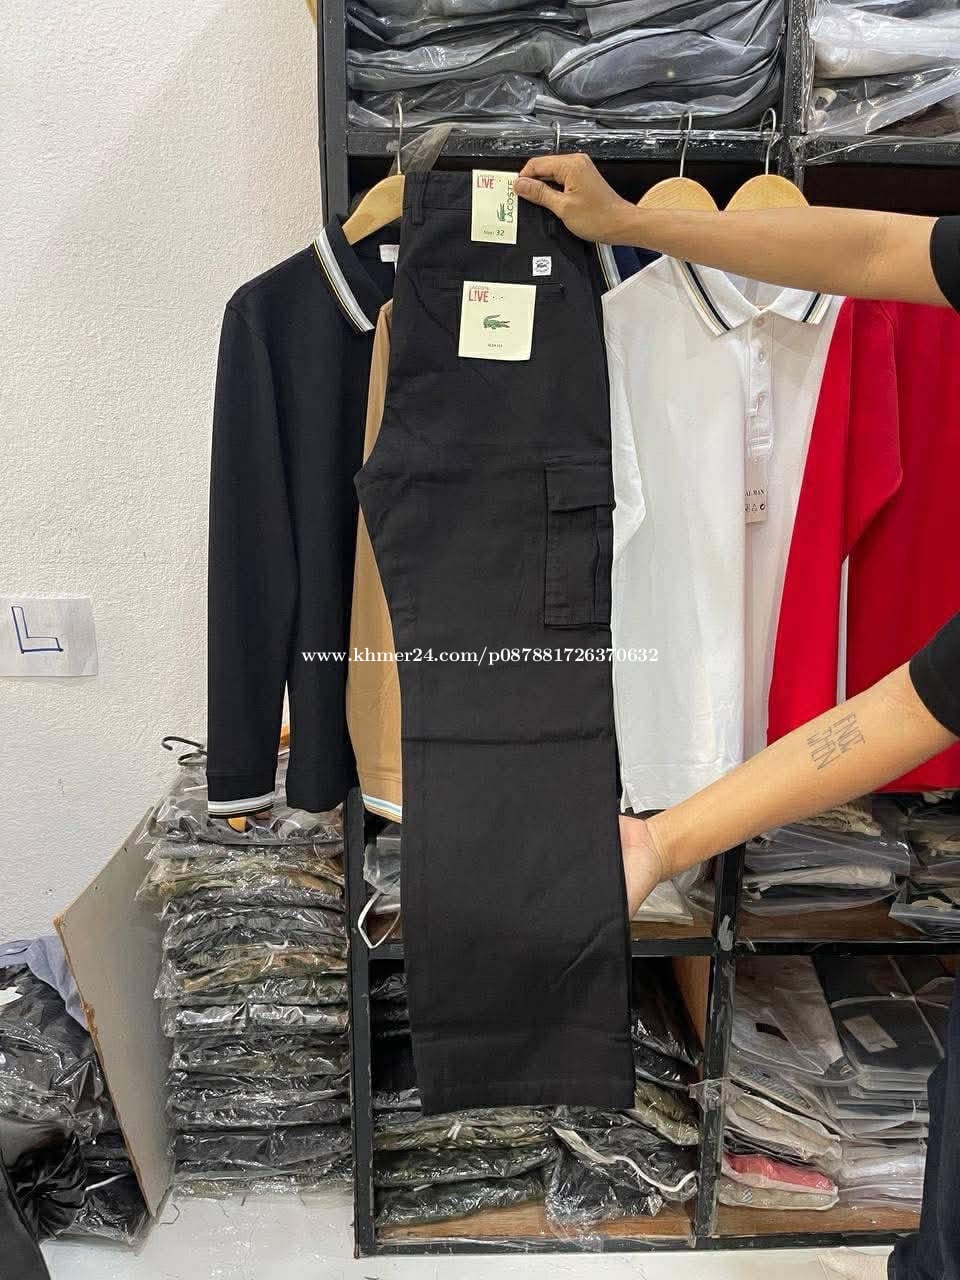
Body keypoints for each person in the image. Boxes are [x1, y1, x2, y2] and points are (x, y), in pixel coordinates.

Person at [514, 155, 960, 1280]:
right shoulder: (628, 324)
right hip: (692, 699)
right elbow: (872, 248)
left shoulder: (871, 350)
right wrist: (634, 220)